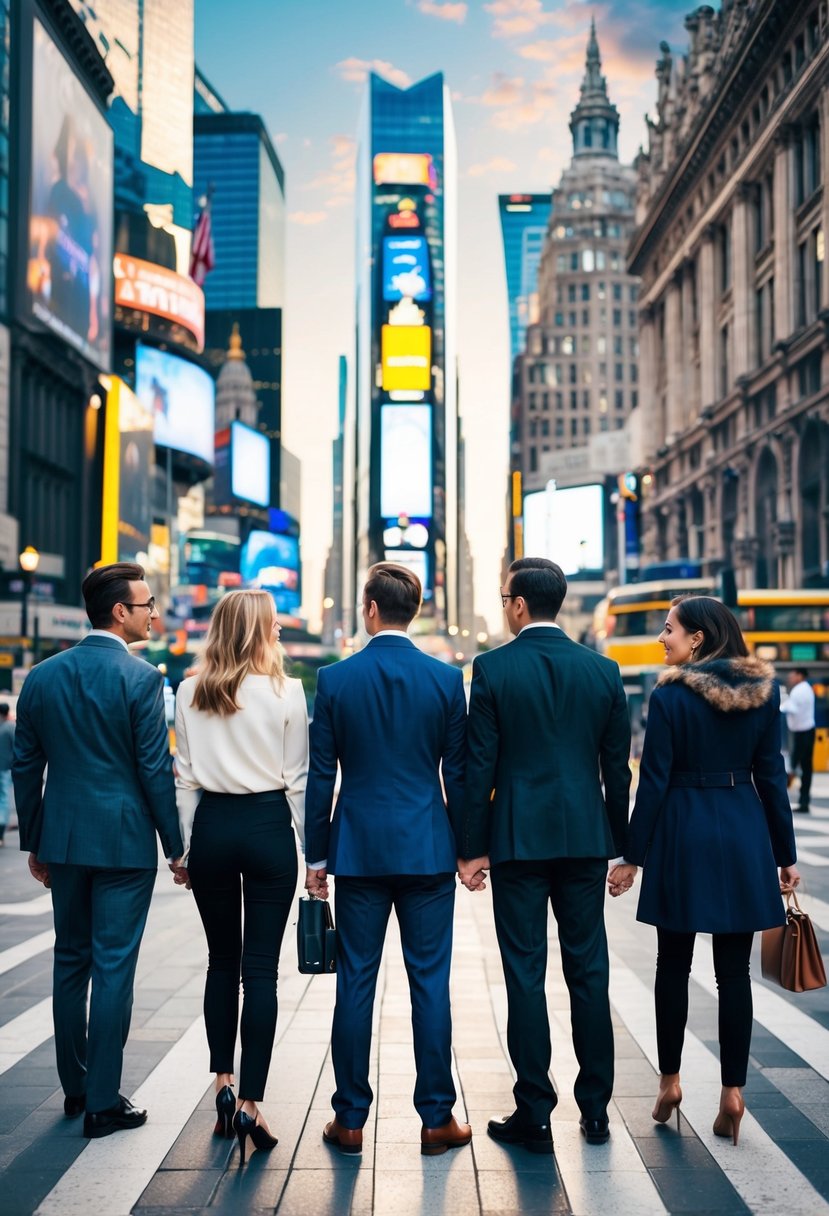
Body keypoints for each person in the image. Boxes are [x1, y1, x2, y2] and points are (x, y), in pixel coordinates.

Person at [609, 596, 799, 1148]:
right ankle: (733, 1093)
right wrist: (783, 856)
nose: (661, 639)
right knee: (733, 974)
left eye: (669, 630)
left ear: (697, 639)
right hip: (742, 833)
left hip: (683, 835)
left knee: (673, 965)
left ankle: (669, 1081)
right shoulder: (765, 693)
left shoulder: (671, 695)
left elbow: (656, 780)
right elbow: (773, 776)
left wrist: (631, 857)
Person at [459, 557, 631, 1153]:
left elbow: (478, 765)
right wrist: (624, 850)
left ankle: (533, 1109)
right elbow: (616, 771)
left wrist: (471, 848)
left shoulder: (493, 669)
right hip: (585, 840)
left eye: (505, 597)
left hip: (516, 841)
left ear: (518, 605)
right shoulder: (603, 671)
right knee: (589, 972)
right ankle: (596, 1109)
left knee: (524, 975)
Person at [304, 562, 470, 1158]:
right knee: (430, 984)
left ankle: (349, 1120)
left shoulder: (336, 679)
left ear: (369, 608)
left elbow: (322, 775)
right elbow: (460, 773)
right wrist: (469, 850)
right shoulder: (445, 681)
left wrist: (315, 856)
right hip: (428, 847)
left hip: (359, 849)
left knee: (355, 981)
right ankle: (436, 1119)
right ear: (415, 610)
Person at [12, 562, 183, 1138]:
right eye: (147, 604)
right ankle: (104, 1103)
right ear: (120, 612)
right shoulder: (140, 680)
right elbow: (154, 769)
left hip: (64, 839)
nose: (152, 613)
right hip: (124, 841)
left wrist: (35, 840)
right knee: (114, 967)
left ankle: (77, 1086)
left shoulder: (41, 677)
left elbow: (26, 765)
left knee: (70, 961)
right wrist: (175, 845)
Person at [172, 590, 308, 1165]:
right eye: (273, 625)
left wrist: (182, 850)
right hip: (269, 825)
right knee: (262, 973)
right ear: (255, 631)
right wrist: (316, 855)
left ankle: (222, 1082)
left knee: (220, 963)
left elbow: (183, 777)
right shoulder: (288, 692)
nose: (279, 631)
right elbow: (298, 778)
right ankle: (252, 1102)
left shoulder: (189, 690)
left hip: (214, 826)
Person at [780, 668, 815, 813]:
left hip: (802, 733)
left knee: (796, 766)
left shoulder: (800, 690)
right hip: (805, 732)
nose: (790, 677)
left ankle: (801, 800)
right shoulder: (804, 689)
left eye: (792, 675)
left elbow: (791, 708)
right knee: (805, 767)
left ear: (800, 676)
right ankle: (803, 801)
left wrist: (781, 704)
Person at [0, 702, 15, 846]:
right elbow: (18, 747)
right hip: (5, 770)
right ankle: (1, 830)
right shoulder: (10, 727)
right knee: (4, 800)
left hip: (4, 769)